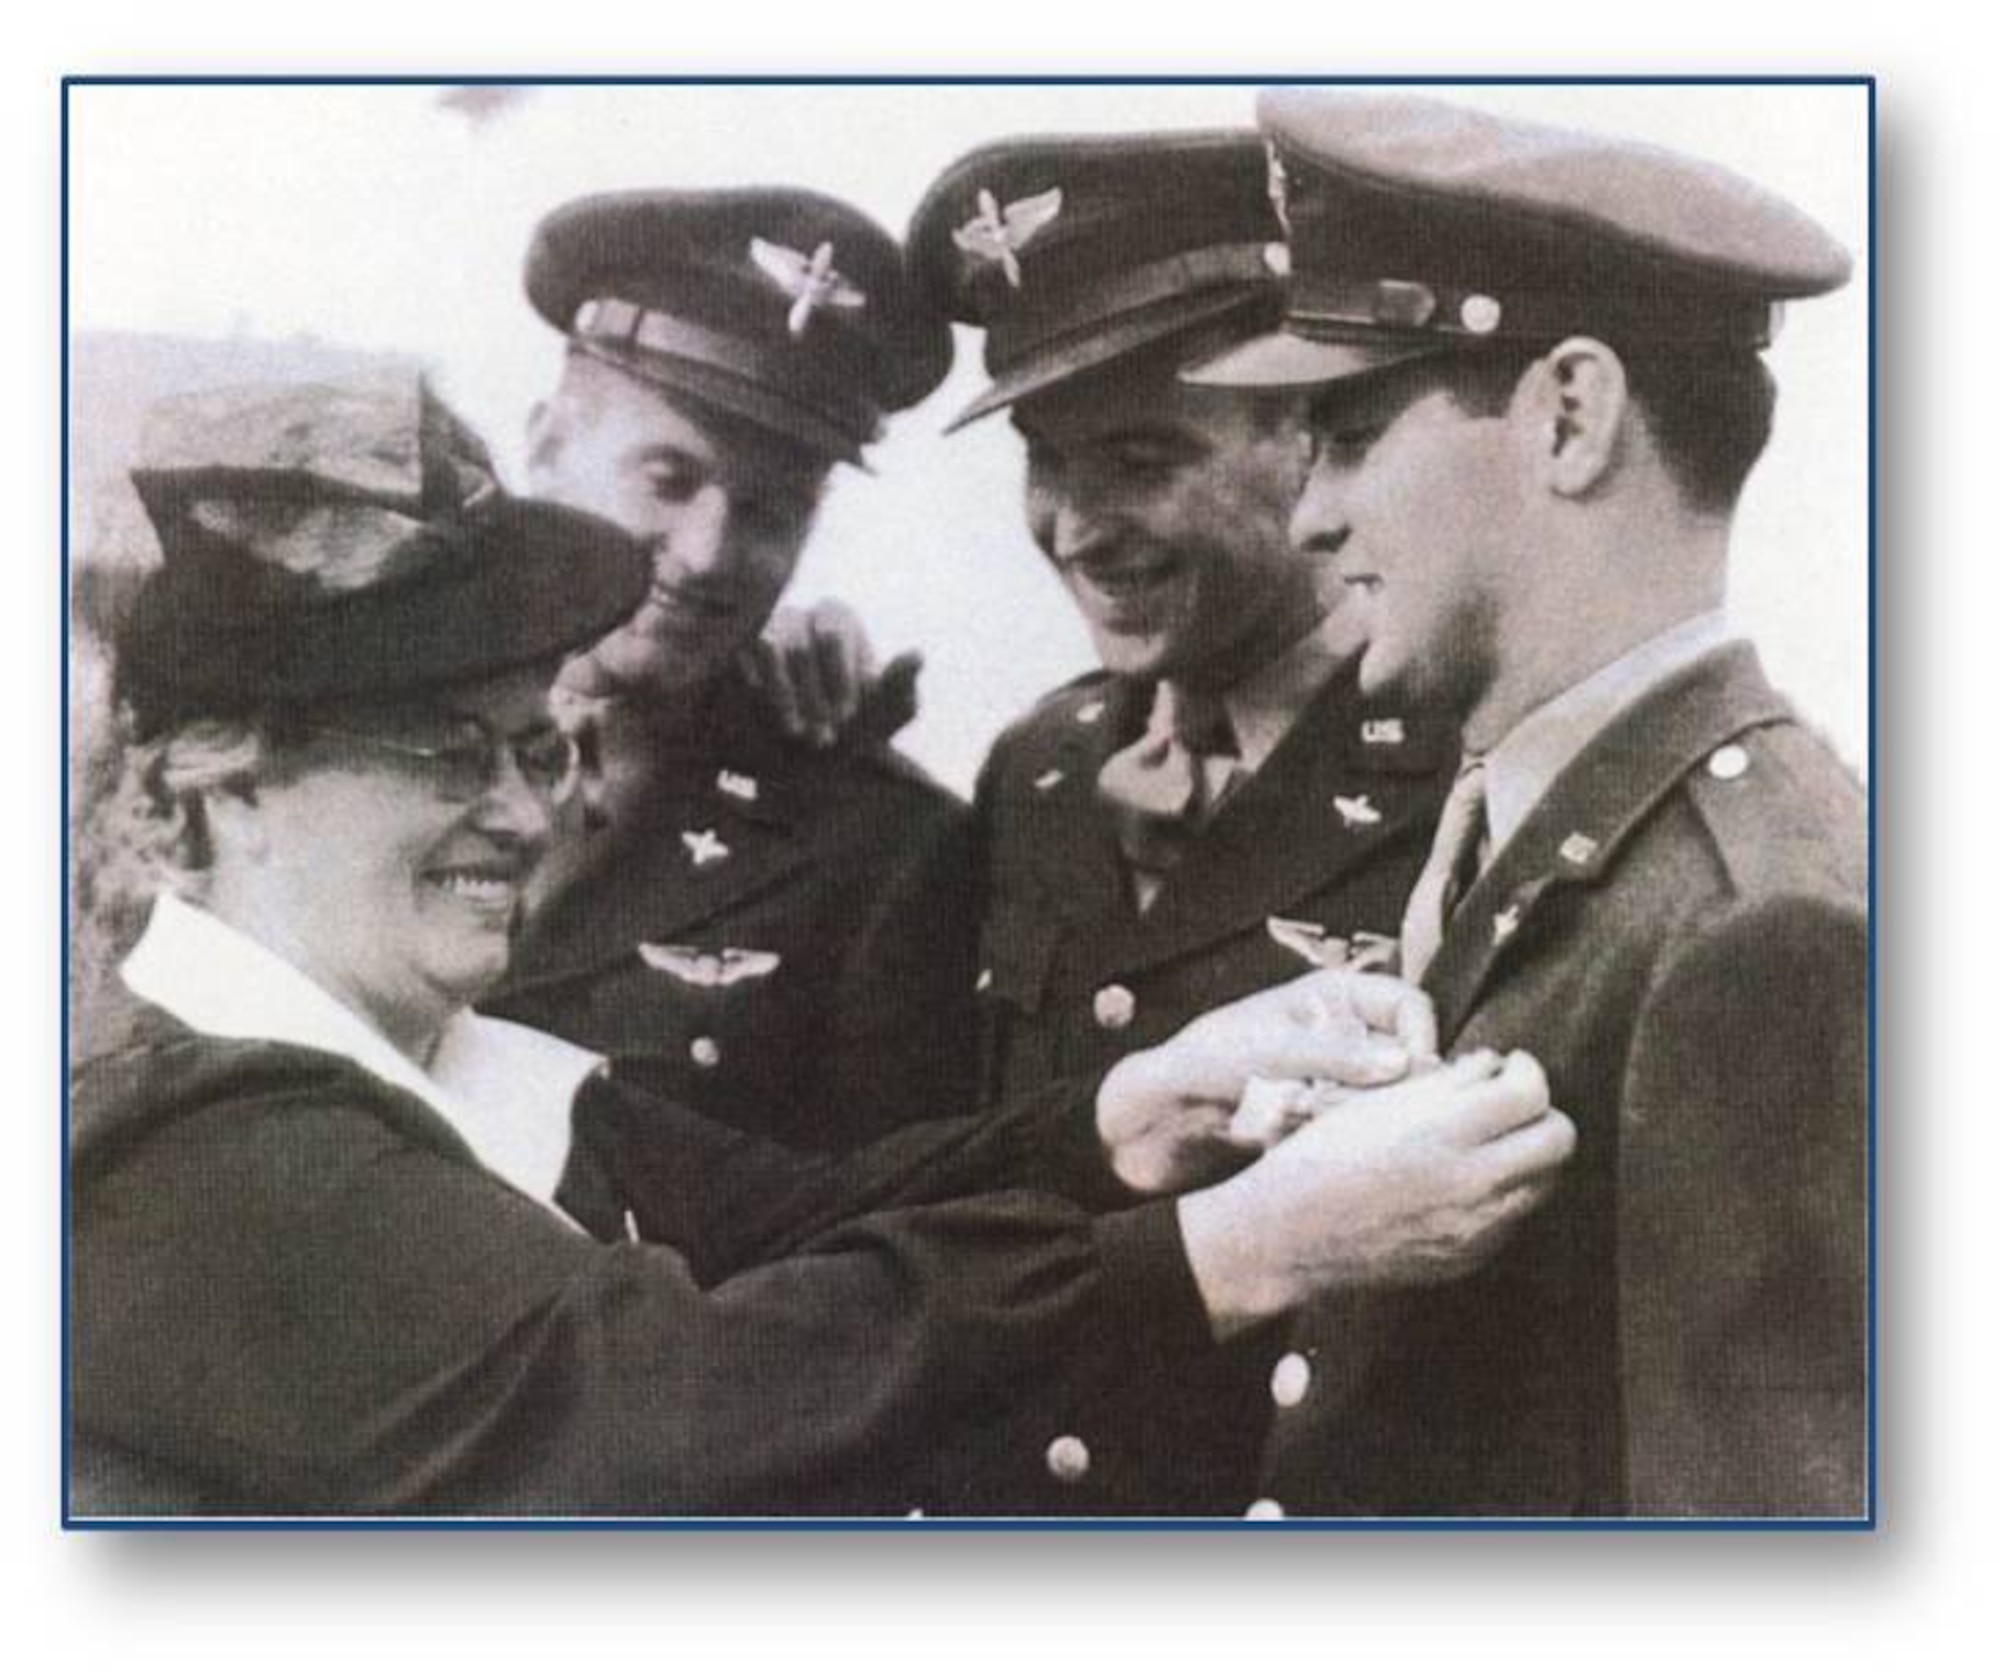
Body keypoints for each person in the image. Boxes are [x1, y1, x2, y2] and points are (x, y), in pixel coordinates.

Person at [69, 371, 1576, 1519]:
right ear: (226, 772)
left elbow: (805, 1219)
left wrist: (1136, 1112)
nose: (521, 815)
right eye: (448, 754)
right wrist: (1246, 1243)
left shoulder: (441, 1062)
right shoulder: (184, 1148)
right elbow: (674, 1400)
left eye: (535, 749)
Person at [1188, 89, 1867, 1517]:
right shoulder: (1519, 815)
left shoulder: (1762, 924)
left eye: (1353, 433)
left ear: (1569, 416)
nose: (1308, 517)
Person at [901, 129, 1454, 1509]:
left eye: (1142, 459)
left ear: (1305, 434)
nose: (1079, 526)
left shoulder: (1463, 772)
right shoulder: (1039, 767)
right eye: (1047, 459)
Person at [480, 189, 980, 1151]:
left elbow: (884, 1234)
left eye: (770, 511)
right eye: (667, 480)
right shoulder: (364, 727)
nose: (709, 553)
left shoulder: (879, 850)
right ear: (547, 445)